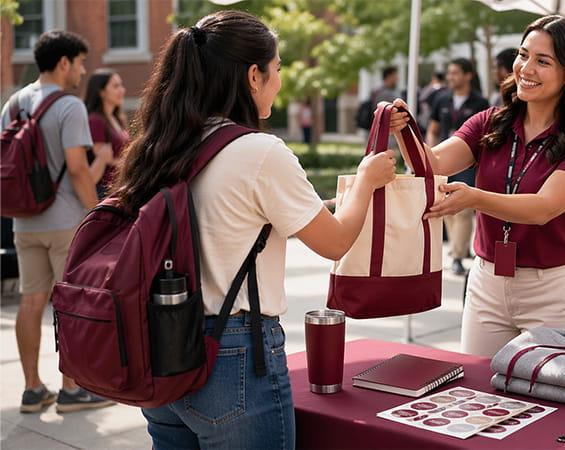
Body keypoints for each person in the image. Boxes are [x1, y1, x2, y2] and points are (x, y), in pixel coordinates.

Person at [117, 11, 395, 448]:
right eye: (278, 69)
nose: (280, 82)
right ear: (253, 75)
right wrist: (365, 180)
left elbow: (230, 216)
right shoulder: (259, 152)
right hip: (231, 355)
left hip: (161, 346)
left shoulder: (162, 143)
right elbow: (336, 241)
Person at [390, 15, 565, 357]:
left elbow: (543, 208)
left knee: (550, 401)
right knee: (478, 394)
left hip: (553, 289)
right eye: (523, 55)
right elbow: (431, 165)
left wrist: (474, 198)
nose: (526, 68)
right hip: (487, 282)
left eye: (543, 61)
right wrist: (403, 130)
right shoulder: (491, 121)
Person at [0, 30, 114, 413]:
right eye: (80, 63)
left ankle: (32, 389)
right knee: (70, 303)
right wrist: (95, 213)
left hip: (24, 221)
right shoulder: (70, 106)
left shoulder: (13, 103)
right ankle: (72, 388)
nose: (83, 71)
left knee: (31, 302)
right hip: (65, 220)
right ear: (63, 62)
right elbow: (80, 169)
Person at [427, 58, 490, 275]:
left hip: (468, 162)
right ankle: (457, 250)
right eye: (449, 73)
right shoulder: (441, 99)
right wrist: (430, 155)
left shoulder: (480, 103)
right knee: (445, 208)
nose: (451, 77)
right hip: (444, 160)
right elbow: (434, 129)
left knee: (463, 209)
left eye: (455, 73)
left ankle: (457, 254)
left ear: (468, 75)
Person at [84, 68, 129, 196]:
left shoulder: (117, 119)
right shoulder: (95, 121)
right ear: (101, 92)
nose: (122, 90)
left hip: (119, 186)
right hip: (104, 191)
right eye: (115, 86)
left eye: (121, 85)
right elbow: (104, 158)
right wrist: (131, 162)